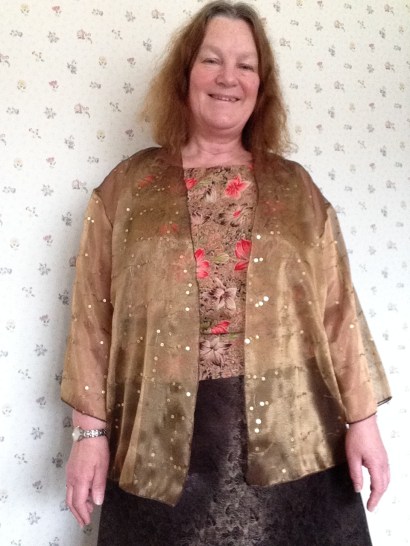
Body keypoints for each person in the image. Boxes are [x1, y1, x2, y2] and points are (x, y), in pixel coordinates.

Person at [61, 2, 391, 544]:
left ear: (262, 86)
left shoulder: (297, 189)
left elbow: (340, 314)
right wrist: (88, 435)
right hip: (158, 442)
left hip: (298, 440)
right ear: (185, 75)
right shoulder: (126, 188)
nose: (228, 78)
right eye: (212, 60)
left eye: (246, 65)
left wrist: (364, 423)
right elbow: (91, 320)